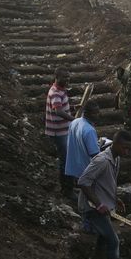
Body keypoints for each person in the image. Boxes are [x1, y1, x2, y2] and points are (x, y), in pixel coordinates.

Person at [77, 130, 131, 259]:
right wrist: (99, 204)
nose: (126, 152)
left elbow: (106, 182)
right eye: (124, 148)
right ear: (115, 144)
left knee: (104, 236)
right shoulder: (102, 160)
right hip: (91, 209)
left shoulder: (115, 159)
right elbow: (83, 182)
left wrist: (114, 199)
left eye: (128, 149)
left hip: (102, 205)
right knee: (114, 241)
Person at [45, 67, 74, 195]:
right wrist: (74, 120)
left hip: (62, 131)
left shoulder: (61, 90)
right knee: (66, 160)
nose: (67, 80)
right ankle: (67, 190)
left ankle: (69, 185)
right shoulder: (55, 92)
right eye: (64, 78)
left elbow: (60, 107)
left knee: (66, 159)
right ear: (57, 78)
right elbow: (58, 111)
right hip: (59, 132)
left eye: (68, 77)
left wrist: (73, 107)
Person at [65, 101, 100, 182]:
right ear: (86, 113)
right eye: (94, 113)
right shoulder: (89, 130)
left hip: (73, 168)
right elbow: (94, 154)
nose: (98, 116)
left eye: (98, 113)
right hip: (85, 170)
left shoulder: (75, 122)